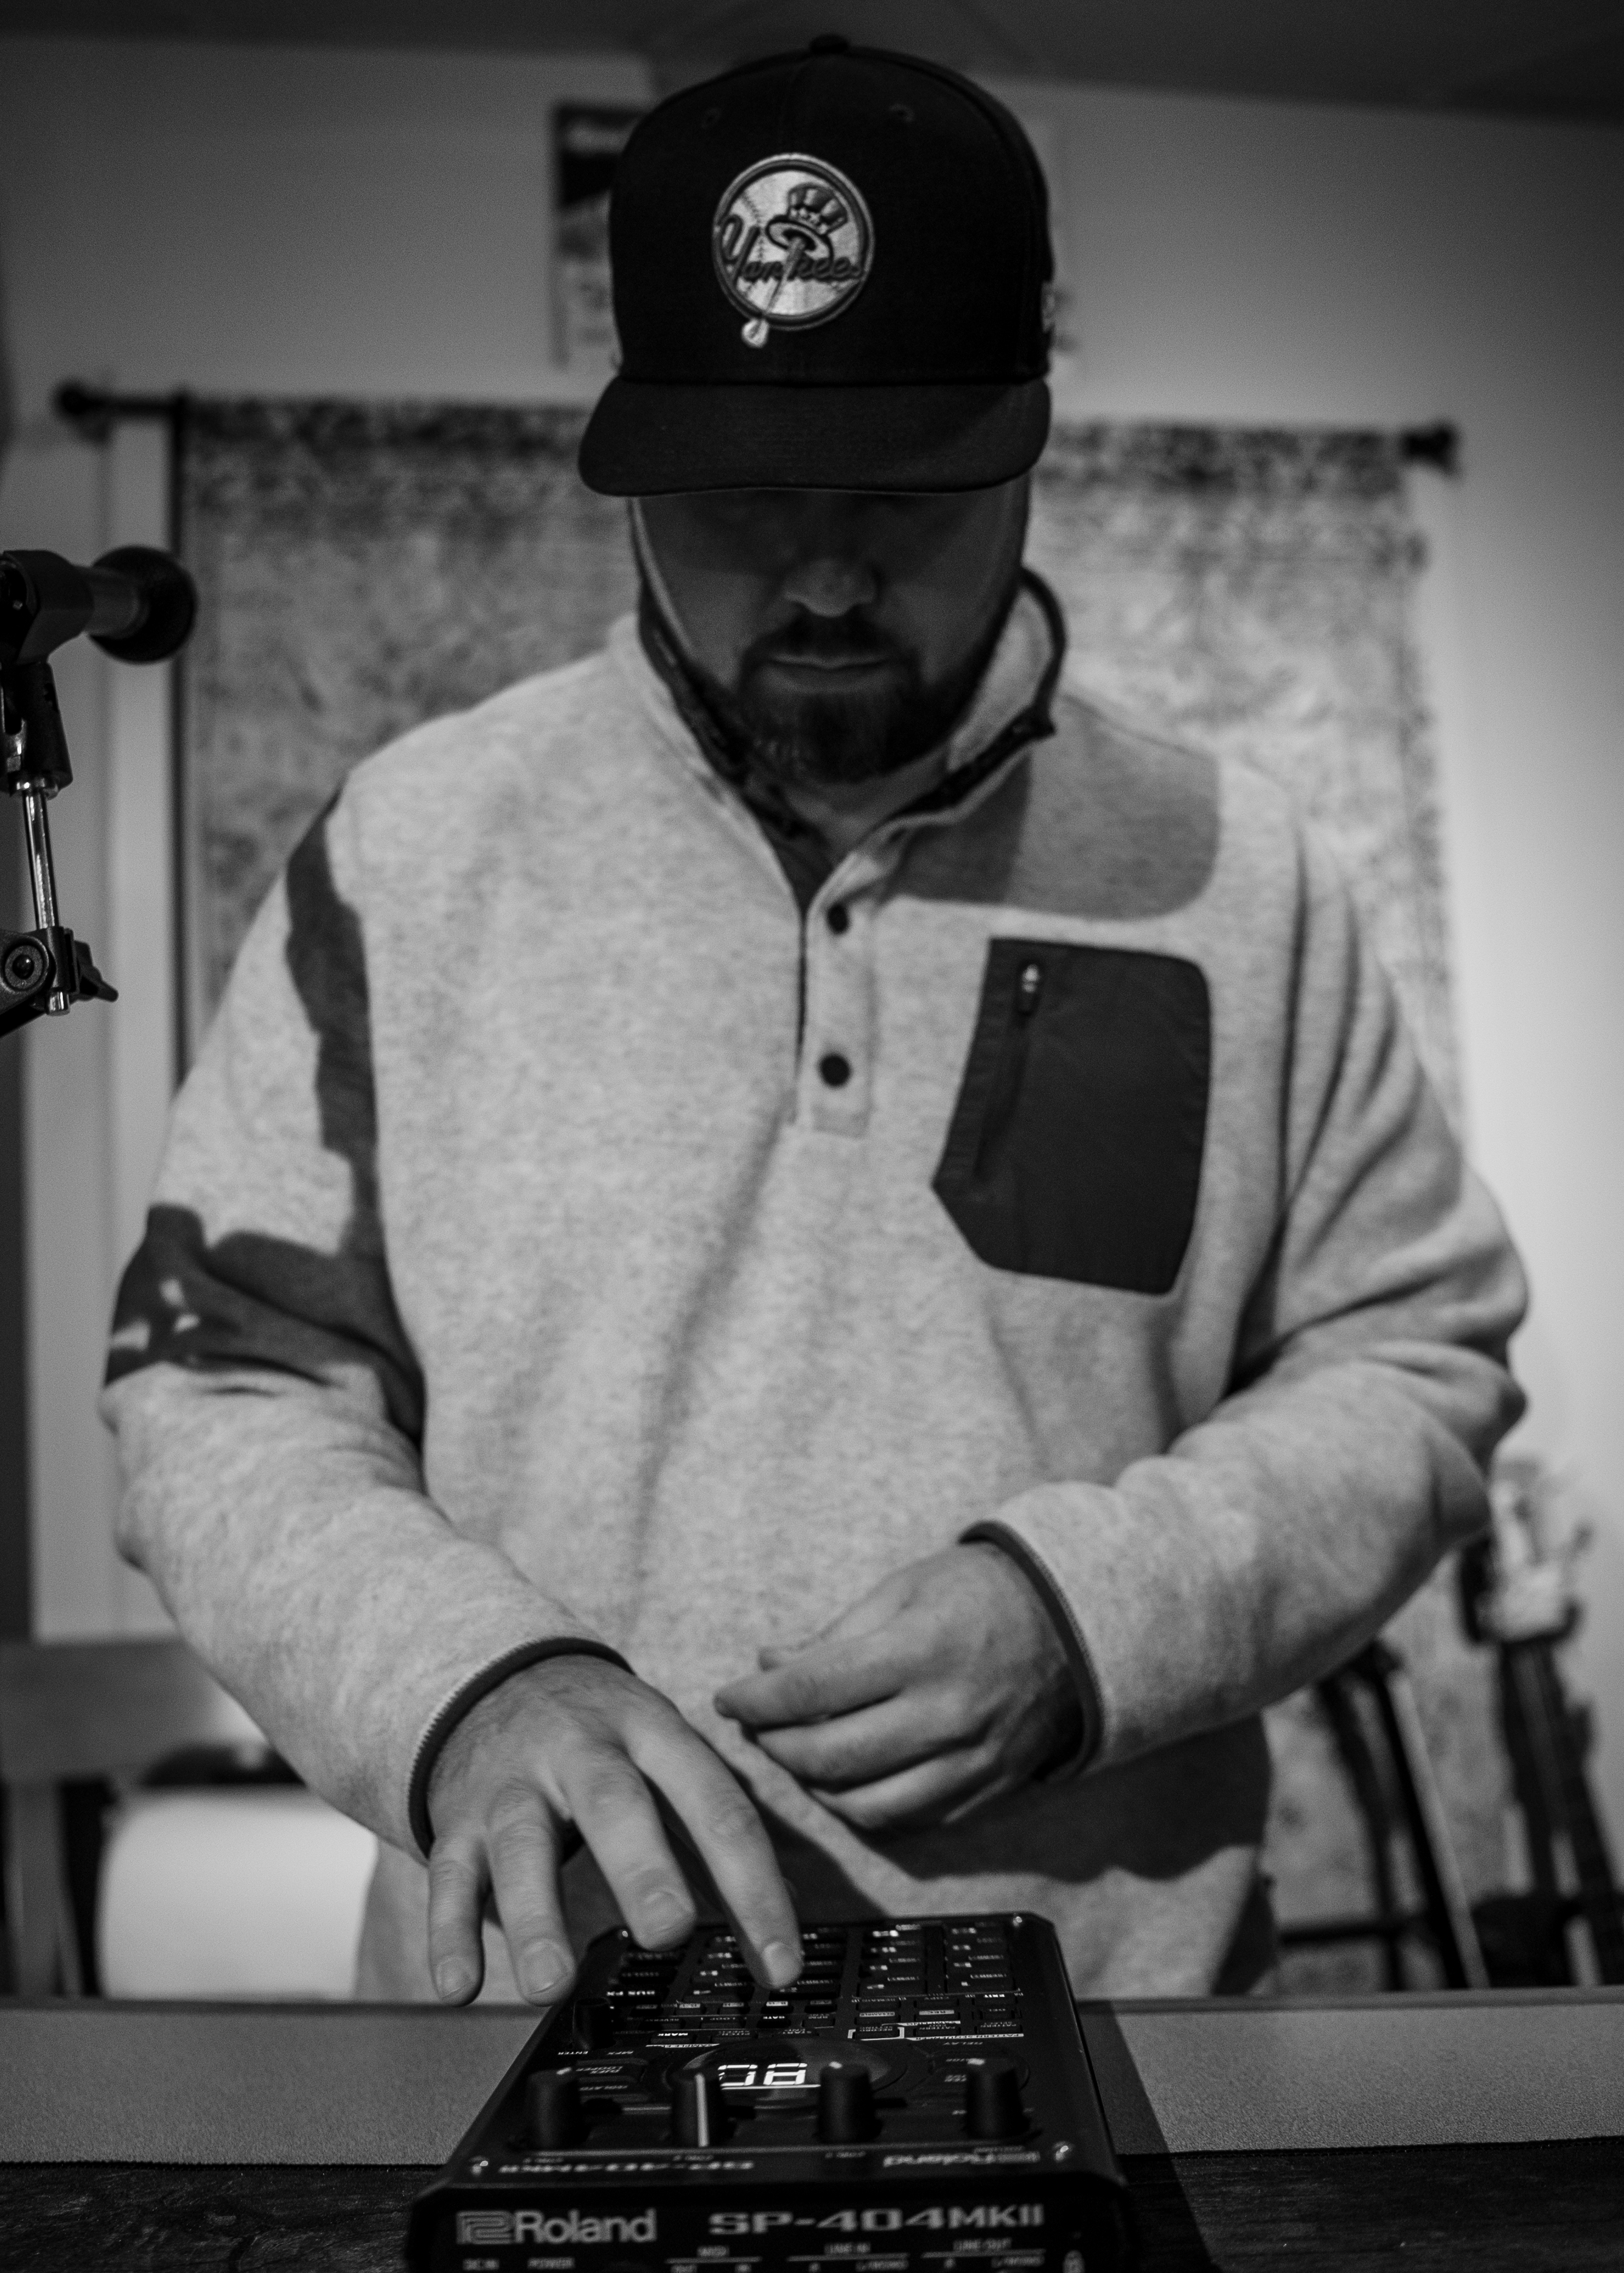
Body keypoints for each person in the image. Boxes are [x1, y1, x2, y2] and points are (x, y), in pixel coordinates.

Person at [102, 38, 1526, 2005]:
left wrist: (1097, 1615)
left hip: (1128, 2030)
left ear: (1029, 445)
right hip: (527, 2030)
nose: (833, 572)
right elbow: (221, 1386)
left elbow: (1414, 1353)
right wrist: (465, 1692)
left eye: (909, 488)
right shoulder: (409, 855)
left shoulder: (1239, 871)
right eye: (749, 495)